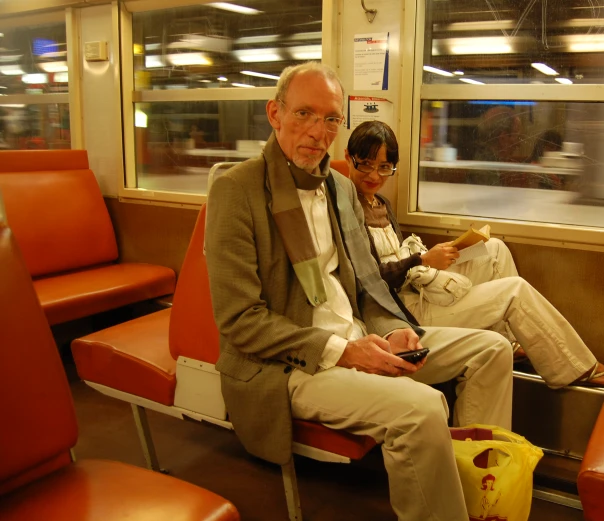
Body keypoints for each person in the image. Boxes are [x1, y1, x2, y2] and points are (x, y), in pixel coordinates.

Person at [205, 62, 513, 521]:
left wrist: (390, 330)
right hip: (289, 362)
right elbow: (240, 321)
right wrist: (344, 351)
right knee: (424, 406)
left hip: (358, 332)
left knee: (492, 349)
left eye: (330, 118)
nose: (318, 131)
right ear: (274, 114)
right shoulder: (237, 190)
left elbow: (368, 285)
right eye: (304, 114)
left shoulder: (340, 187)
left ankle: (481, 492)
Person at [344, 120, 604, 389]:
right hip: (403, 309)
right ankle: (577, 368)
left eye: (384, 167)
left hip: (416, 285)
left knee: (494, 249)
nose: (374, 176)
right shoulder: (347, 209)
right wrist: (423, 260)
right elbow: (367, 280)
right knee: (515, 291)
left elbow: (400, 254)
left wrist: (437, 254)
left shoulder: (382, 203)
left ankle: (511, 343)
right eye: (366, 164)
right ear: (348, 157)